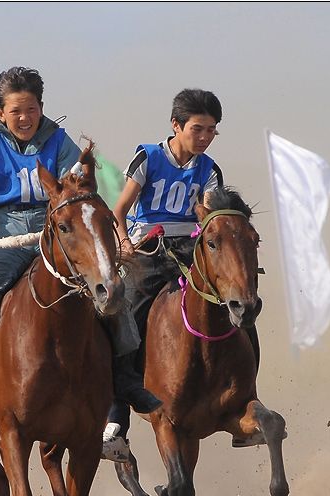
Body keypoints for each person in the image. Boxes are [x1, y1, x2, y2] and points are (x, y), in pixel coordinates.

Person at [0, 66, 161, 437]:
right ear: (0, 114)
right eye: (15, 111)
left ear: (41, 108)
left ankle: (126, 379)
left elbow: (78, 185)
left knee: (109, 284)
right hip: (6, 237)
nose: (24, 118)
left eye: (31, 109)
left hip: (59, 234)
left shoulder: (59, 140)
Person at [103, 88, 226, 456]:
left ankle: (240, 390)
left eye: (211, 131)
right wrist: (123, 242)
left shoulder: (209, 170)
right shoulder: (149, 157)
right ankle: (116, 418)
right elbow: (119, 209)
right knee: (125, 314)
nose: (204, 137)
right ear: (176, 125)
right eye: (198, 129)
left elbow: (209, 216)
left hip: (189, 251)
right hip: (147, 250)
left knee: (232, 306)